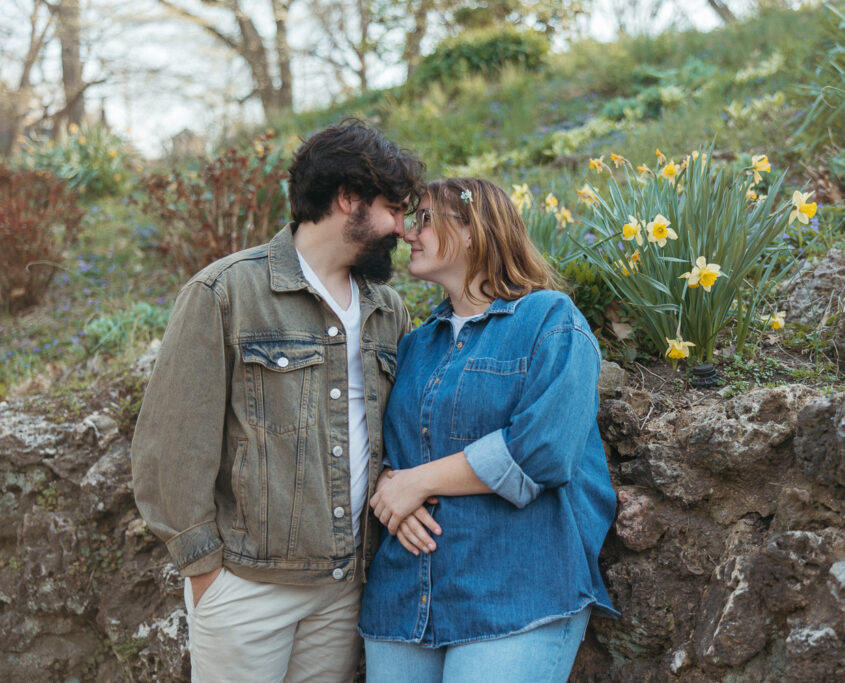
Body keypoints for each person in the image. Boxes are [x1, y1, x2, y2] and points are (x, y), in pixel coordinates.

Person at [130, 118, 424, 682]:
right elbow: (170, 445)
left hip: (343, 589)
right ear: (348, 199)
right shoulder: (225, 293)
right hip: (246, 590)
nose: (401, 228)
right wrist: (205, 573)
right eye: (393, 209)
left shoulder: (388, 309)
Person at [358, 178, 618, 682]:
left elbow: (543, 450)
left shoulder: (550, 320)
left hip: (516, 594)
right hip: (404, 599)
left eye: (426, 219)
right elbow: (389, 452)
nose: (409, 233)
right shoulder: (415, 346)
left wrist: (418, 481)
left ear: (474, 230)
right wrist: (392, 486)